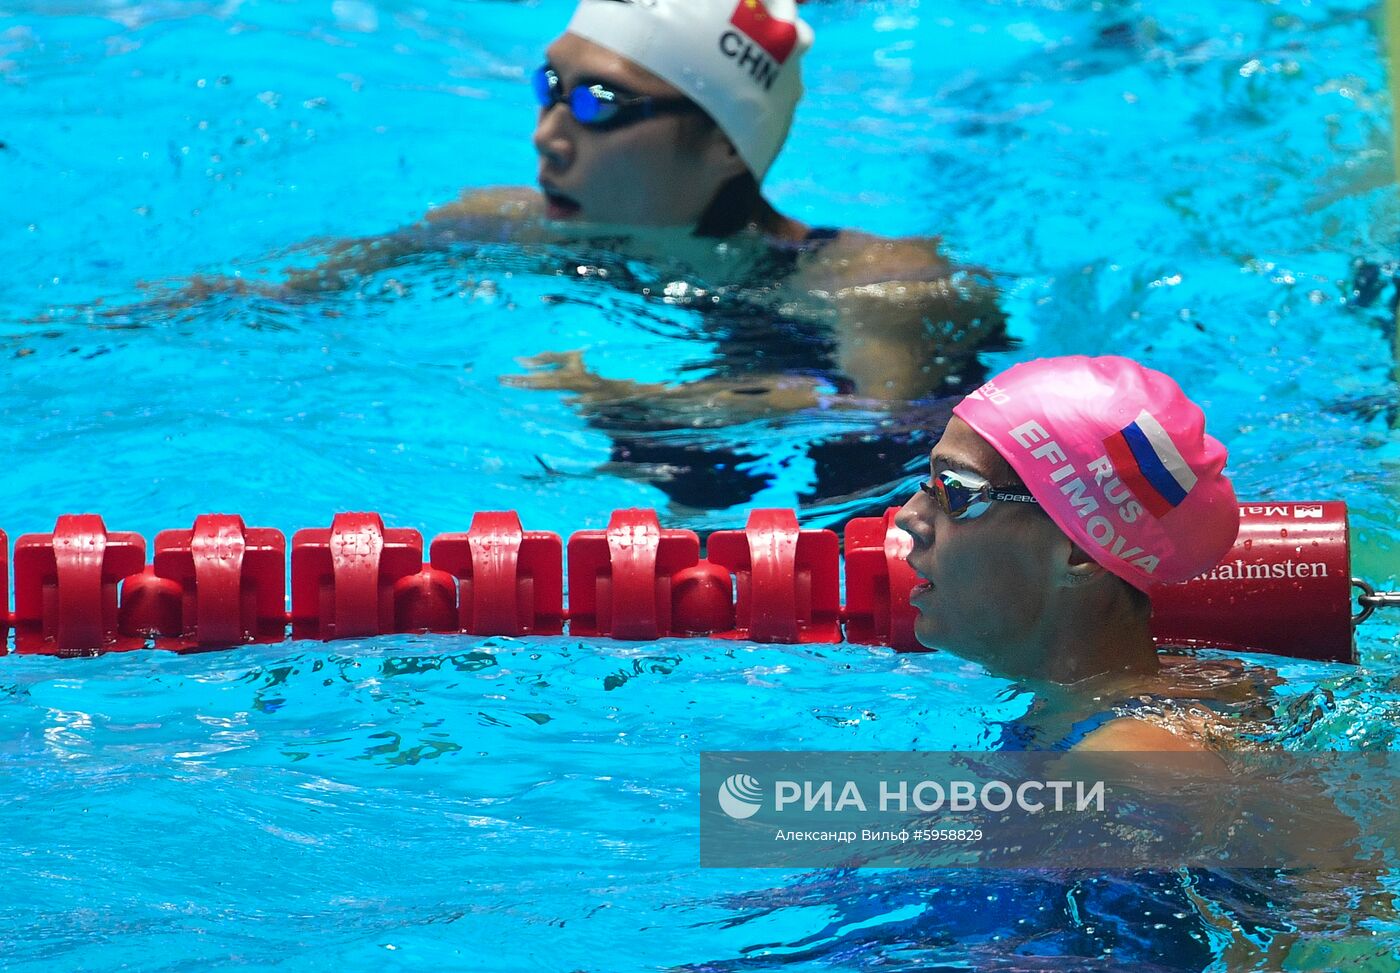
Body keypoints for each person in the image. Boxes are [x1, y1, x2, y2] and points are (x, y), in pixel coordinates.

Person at [894, 355, 1250, 751]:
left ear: (1079, 553)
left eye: (955, 490)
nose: (908, 516)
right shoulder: (1080, 713)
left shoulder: (1127, 756)